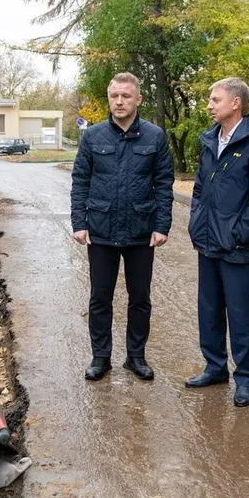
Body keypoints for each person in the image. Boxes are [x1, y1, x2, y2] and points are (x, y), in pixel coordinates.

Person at [70, 72, 174, 381]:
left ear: (138, 99)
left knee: (139, 298)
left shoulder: (155, 137)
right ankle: (101, 357)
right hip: (101, 230)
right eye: (114, 96)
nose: (119, 101)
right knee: (100, 298)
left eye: (126, 96)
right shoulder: (93, 137)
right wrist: (79, 222)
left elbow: (164, 183)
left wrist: (162, 225)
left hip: (141, 232)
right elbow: (80, 181)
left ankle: (135, 357)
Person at [186, 78, 249, 408]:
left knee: (240, 313)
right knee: (208, 309)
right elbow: (199, 188)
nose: (209, 105)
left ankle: (246, 379)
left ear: (235, 103)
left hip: (236, 245)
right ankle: (215, 368)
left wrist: (238, 233)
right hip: (208, 240)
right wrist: (196, 221)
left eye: (215, 99)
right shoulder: (210, 139)